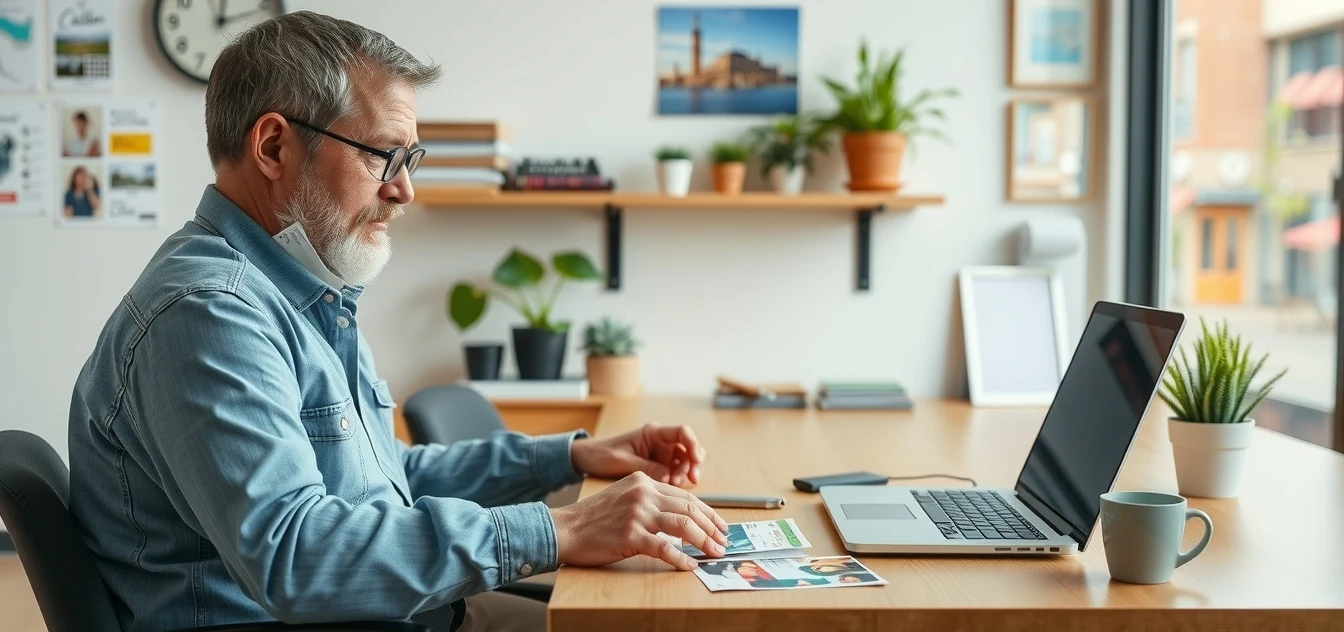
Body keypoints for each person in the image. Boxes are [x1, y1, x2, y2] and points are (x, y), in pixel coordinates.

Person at [66, 11, 728, 632]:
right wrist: (560, 530)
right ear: (273, 146)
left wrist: (568, 456)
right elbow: (293, 555)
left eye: (411, 160)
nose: (404, 188)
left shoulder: (300, 293)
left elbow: (385, 480)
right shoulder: (209, 313)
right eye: (383, 155)